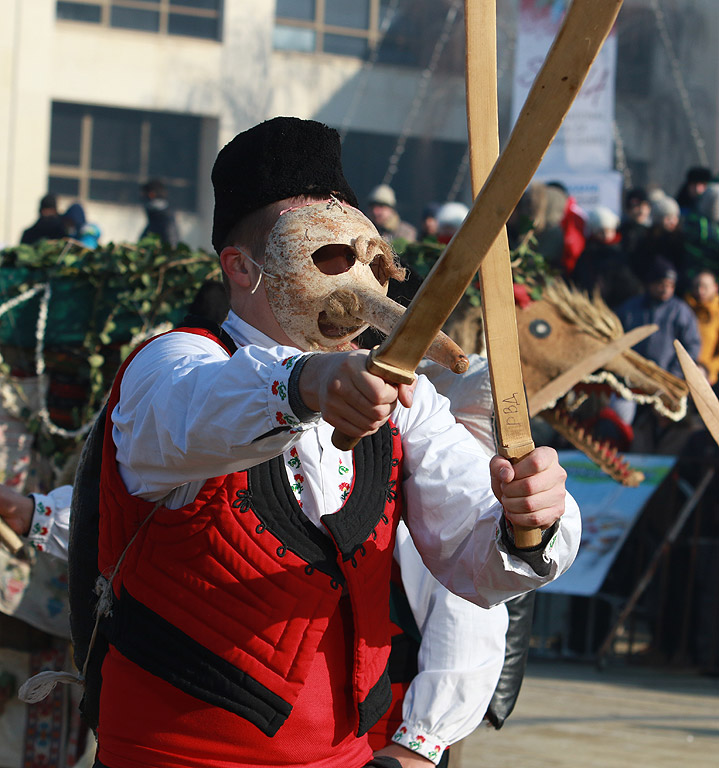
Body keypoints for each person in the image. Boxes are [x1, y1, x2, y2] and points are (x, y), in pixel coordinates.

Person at [72, 117, 579, 768]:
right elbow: (191, 412)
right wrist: (307, 381)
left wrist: (526, 520)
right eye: (328, 257)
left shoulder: (406, 398)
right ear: (242, 267)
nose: (361, 285)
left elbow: (473, 563)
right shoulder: (172, 364)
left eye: (373, 261)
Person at [616, 256, 701, 379]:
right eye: (662, 284)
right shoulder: (630, 308)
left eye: (671, 285)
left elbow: (692, 346)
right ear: (651, 283)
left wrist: (675, 373)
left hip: (667, 380)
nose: (666, 289)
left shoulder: (681, 311)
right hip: (629, 377)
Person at [686, 270, 719, 386]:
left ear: (715, 287)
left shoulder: (717, 313)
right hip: (681, 374)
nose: (700, 291)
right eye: (697, 286)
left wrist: (708, 369)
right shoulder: (684, 308)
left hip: (709, 379)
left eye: (705, 287)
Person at [139, 178, 179, 246]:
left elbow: (172, 244)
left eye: (144, 194)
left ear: (151, 195)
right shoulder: (155, 217)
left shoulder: (164, 219)